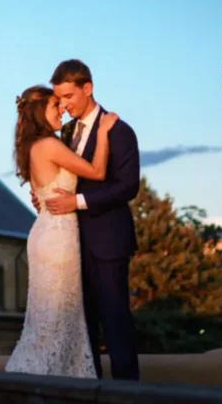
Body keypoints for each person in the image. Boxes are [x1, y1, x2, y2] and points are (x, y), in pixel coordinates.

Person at [5, 84, 117, 378]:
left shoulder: (32, 147)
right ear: (41, 111)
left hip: (46, 233)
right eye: (56, 106)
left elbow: (42, 194)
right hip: (58, 239)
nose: (62, 112)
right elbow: (97, 172)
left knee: (47, 322)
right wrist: (103, 133)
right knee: (57, 320)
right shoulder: (50, 145)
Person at [39, 59, 141, 381]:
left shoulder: (120, 131)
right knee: (83, 328)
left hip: (108, 243)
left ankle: (127, 395)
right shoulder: (65, 133)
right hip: (69, 244)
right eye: (59, 99)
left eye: (68, 97)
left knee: (116, 323)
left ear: (88, 88)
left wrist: (77, 202)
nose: (64, 105)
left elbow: (128, 186)